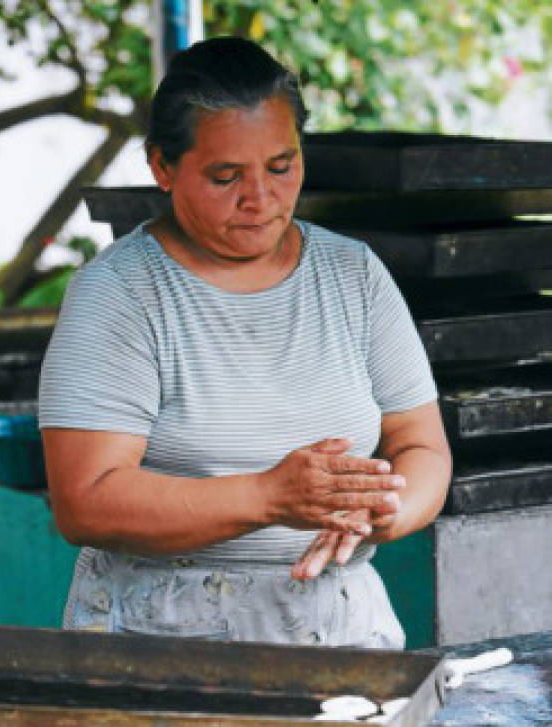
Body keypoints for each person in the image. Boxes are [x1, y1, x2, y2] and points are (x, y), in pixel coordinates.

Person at [39, 36, 451, 647]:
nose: (260, 199)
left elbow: (423, 449)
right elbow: (85, 502)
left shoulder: (353, 275)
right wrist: (268, 496)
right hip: (159, 638)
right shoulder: (120, 293)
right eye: (226, 175)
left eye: (281, 167)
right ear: (162, 167)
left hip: (336, 630)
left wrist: (387, 509)